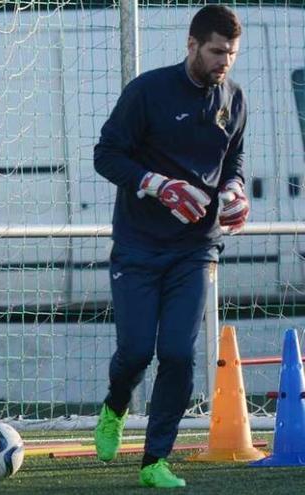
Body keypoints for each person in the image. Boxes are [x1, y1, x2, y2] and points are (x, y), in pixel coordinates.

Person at [93, 5, 249, 488]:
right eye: (217, 51)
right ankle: (115, 407)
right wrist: (156, 184)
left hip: (196, 247)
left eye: (232, 53)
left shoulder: (234, 98)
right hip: (138, 246)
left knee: (179, 354)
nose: (225, 61)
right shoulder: (146, 91)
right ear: (192, 45)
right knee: (137, 352)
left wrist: (234, 191)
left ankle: (155, 460)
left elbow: (235, 158)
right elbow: (106, 155)